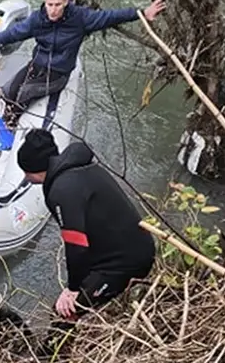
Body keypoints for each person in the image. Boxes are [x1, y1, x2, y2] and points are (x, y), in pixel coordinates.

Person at [0, 0, 167, 123]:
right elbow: (13, 33)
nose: (53, 10)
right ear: (45, 2)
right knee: (9, 90)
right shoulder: (37, 19)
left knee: (23, 94)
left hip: (58, 73)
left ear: (65, 2)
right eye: (49, 5)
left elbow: (110, 17)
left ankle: (10, 125)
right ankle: (5, 119)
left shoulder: (80, 18)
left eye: (57, 5)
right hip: (37, 65)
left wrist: (141, 13)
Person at [16, 129, 155, 321]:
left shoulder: (62, 191)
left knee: (65, 312)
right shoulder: (81, 169)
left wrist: (73, 289)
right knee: (71, 299)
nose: (25, 178)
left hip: (124, 262)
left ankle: (55, 349)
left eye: (26, 173)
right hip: (129, 247)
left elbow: (76, 247)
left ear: (34, 169)